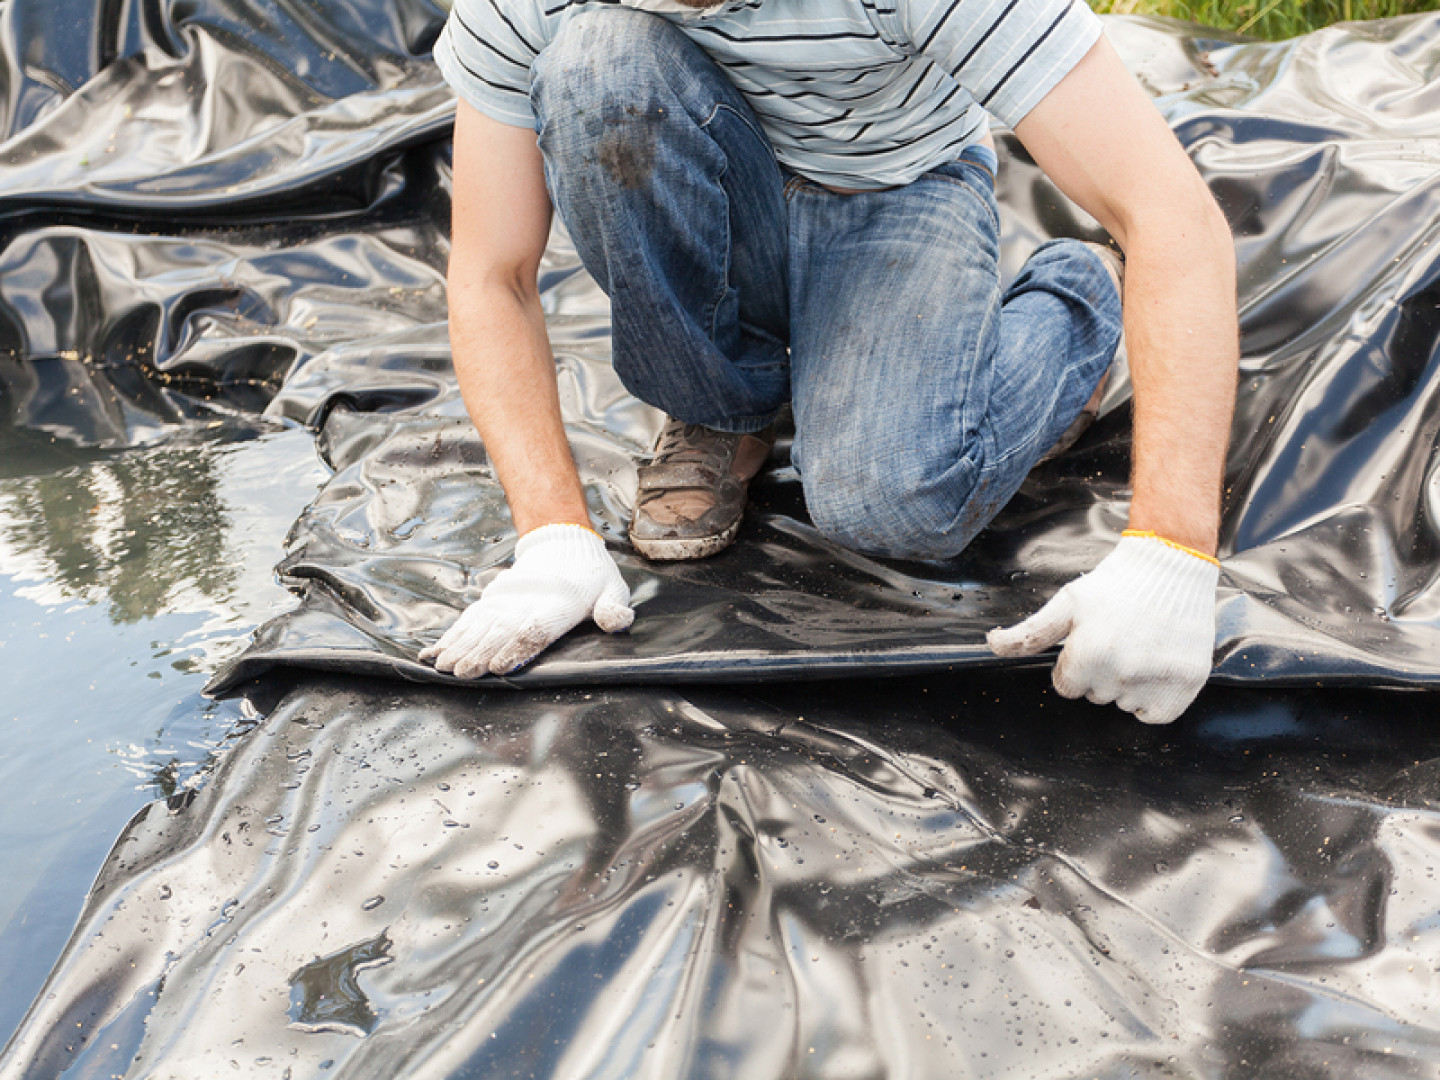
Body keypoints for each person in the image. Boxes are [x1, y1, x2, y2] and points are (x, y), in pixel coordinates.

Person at [418, 0, 1238, 725]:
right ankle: (723, 405)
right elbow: (493, 274)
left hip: (890, 187)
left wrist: (1169, 550)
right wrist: (553, 537)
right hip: (710, 186)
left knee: (898, 504)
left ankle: (1078, 298)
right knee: (597, 66)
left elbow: (1168, 211)